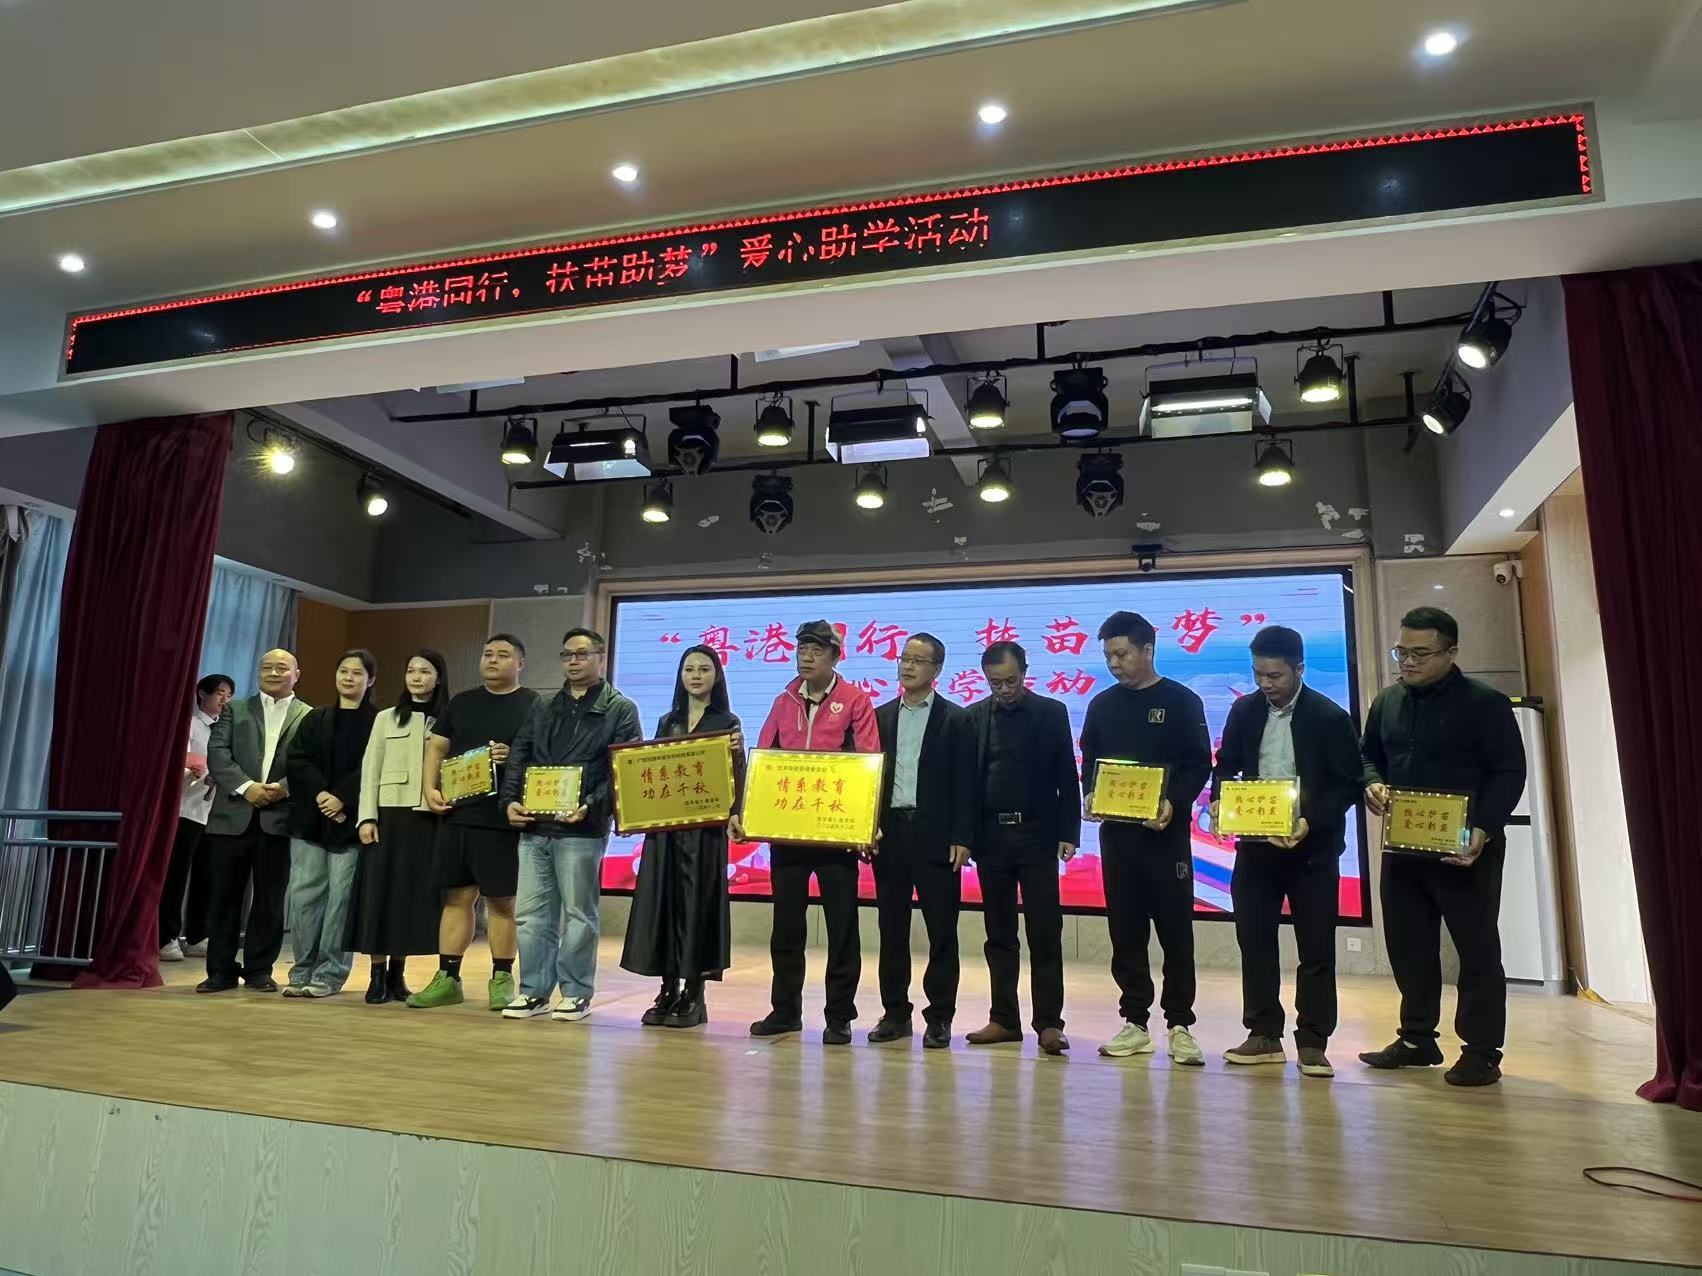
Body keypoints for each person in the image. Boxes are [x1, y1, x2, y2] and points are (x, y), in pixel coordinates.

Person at [1359, 606, 1526, 1087]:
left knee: (1476, 950)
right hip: (1404, 846)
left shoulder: (1485, 703)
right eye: (1401, 652)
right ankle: (1417, 1039)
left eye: (1420, 653)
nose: (1408, 662)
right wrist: (1371, 783)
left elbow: (1509, 772)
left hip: (1465, 848)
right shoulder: (1387, 701)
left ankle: (1481, 1051)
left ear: (1451, 652)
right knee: (1408, 945)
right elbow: (1368, 755)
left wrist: (1485, 827)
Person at [1210, 625, 1363, 1079]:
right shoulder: (1244, 710)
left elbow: (1347, 784)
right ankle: (1263, 1033)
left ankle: (1313, 1041)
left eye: (1274, 675)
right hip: (1256, 849)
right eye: (1258, 674)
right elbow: (1225, 767)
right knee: (1254, 941)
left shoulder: (1328, 716)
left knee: (1315, 947)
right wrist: (1219, 801)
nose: (1265, 684)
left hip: (1312, 850)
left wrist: (1308, 820)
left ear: (1299, 669)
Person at [734, 620, 880, 1045]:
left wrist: (868, 824)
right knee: (786, 928)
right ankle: (785, 1010)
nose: (807, 656)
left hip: (836, 836)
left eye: (817, 650)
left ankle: (839, 1016)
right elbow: (764, 759)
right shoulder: (784, 700)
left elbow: (869, 762)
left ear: (835, 656)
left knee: (842, 928)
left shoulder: (856, 700)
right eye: (801, 649)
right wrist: (746, 813)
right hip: (789, 834)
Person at [1081, 611, 1213, 1067]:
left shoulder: (1181, 701)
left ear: (1148, 650)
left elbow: (1199, 763)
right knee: (1126, 930)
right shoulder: (1102, 705)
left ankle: (1180, 1025)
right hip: (1118, 839)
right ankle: (1134, 1022)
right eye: (1108, 656)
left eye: (1121, 654)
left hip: (1165, 838)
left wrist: (1174, 802)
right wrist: (1090, 794)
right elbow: (1090, 762)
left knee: (1175, 932)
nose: (1114, 663)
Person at [500, 628, 642, 1022]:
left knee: (579, 914)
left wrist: (591, 805)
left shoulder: (620, 708)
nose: (573, 661)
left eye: (581, 654)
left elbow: (621, 768)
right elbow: (521, 754)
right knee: (531, 914)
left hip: (581, 827)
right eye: (567, 655)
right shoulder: (544, 704)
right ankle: (533, 992)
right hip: (535, 825)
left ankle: (576, 992)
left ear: (601, 658)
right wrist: (509, 802)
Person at [409, 634, 539, 1011]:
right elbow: (436, 746)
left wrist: (515, 756)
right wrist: (428, 788)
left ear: (520, 664)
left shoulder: (535, 704)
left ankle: (502, 978)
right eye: (487, 654)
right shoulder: (462, 702)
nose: (492, 660)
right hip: (457, 814)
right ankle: (447, 978)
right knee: (456, 898)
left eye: (503, 655)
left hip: (502, 818)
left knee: (502, 901)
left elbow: (545, 755)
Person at [963, 641, 1080, 1054]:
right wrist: (965, 837)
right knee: (999, 934)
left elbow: (1067, 774)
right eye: (995, 683)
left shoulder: (1051, 713)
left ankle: (1049, 1023)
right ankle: (1004, 1020)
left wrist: (1069, 831)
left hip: (1037, 836)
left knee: (1045, 932)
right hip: (991, 838)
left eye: (1010, 681)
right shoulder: (974, 717)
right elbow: (965, 783)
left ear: (1025, 673)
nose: (1004, 689)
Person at [619, 644, 743, 1028]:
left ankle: (694, 993)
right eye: (689, 669)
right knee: (665, 904)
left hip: (705, 833)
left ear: (716, 676)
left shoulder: (727, 721)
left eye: (704, 669)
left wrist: (737, 763)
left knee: (696, 906)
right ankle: (667, 988)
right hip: (667, 831)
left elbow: (734, 776)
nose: (695, 675)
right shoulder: (667, 722)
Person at [868, 633, 975, 1049]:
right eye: (904, 658)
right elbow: (870, 779)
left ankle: (940, 1017)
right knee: (891, 928)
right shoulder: (879, 717)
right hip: (891, 835)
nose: (908, 666)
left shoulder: (956, 719)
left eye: (918, 660)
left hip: (938, 838)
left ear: (937, 669)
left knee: (942, 931)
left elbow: (967, 783)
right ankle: (895, 1013)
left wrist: (963, 836)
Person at [199, 650, 313, 993]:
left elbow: (311, 762)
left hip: (278, 819)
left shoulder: (309, 716)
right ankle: (220, 971)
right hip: (230, 818)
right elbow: (218, 754)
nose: (273, 672)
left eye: (282, 668)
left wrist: (283, 788)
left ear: (296, 674)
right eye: (266, 667)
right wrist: (247, 787)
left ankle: (259, 970)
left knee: (269, 899)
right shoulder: (234, 709)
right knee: (223, 897)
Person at [349, 650, 451, 1004]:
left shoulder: (447, 719)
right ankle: (376, 976)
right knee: (380, 895)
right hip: (389, 817)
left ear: (439, 678)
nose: (416, 677)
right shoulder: (387, 717)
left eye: (425, 671)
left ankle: (397, 975)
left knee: (409, 899)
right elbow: (370, 769)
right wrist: (367, 817)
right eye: (411, 671)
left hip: (428, 819)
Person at [282, 649, 378, 997]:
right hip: (312, 819)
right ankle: (302, 969)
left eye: (357, 673)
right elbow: (297, 759)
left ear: (370, 680)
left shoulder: (379, 721)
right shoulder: (316, 717)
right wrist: (323, 795)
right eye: (343, 671)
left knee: (340, 900)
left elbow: (374, 767)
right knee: (305, 897)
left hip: (352, 822)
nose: (349, 678)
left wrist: (342, 798)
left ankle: (330, 973)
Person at [158, 673, 233, 962]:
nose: (225, 699)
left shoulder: (226, 730)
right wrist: (200, 774)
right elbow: (178, 764)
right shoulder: (189, 725)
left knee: (208, 875)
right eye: (220, 693)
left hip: (215, 813)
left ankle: (198, 935)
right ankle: (166, 937)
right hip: (186, 809)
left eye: (229, 694)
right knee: (176, 875)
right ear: (202, 693)